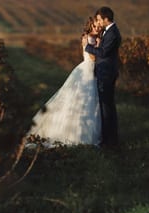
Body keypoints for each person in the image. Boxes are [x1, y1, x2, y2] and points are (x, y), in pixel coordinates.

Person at [25, 17, 102, 148]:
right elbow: (93, 57)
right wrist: (99, 45)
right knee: (84, 100)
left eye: (99, 27)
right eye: (95, 26)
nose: (97, 29)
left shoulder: (90, 37)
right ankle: (79, 135)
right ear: (90, 26)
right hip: (88, 70)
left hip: (88, 69)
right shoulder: (89, 38)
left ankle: (86, 133)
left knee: (88, 101)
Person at [83, 6, 121, 147]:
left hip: (107, 73)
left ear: (106, 19)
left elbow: (104, 53)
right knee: (107, 107)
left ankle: (109, 141)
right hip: (104, 72)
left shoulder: (112, 33)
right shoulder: (109, 32)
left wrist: (87, 47)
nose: (98, 22)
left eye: (99, 19)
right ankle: (110, 139)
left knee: (107, 108)